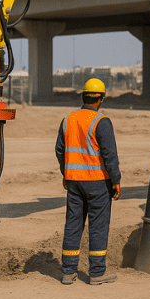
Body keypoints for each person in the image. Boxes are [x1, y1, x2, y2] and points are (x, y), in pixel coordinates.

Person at [55, 78, 121, 285]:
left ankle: (68, 272)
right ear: (100, 99)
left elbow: (60, 150)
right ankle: (97, 273)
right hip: (97, 182)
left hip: (74, 181)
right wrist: (116, 180)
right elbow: (110, 155)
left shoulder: (68, 119)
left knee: (73, 224)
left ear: (83, 96)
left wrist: (66, 174)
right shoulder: (101, 121)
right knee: (98, 226)